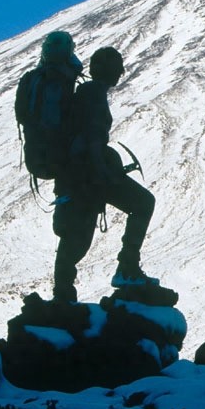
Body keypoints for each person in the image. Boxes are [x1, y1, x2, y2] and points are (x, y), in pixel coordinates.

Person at [52, 46, 158, 302]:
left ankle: (63, 293)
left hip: (75, 176)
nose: (121, 72)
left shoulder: (84, 93)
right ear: (108, 69)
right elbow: (92, 137)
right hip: (88, 175)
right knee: (143, 203)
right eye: (117, 67)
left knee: (76, 234)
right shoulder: (93, 94)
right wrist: (103, 171)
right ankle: (127, 269)